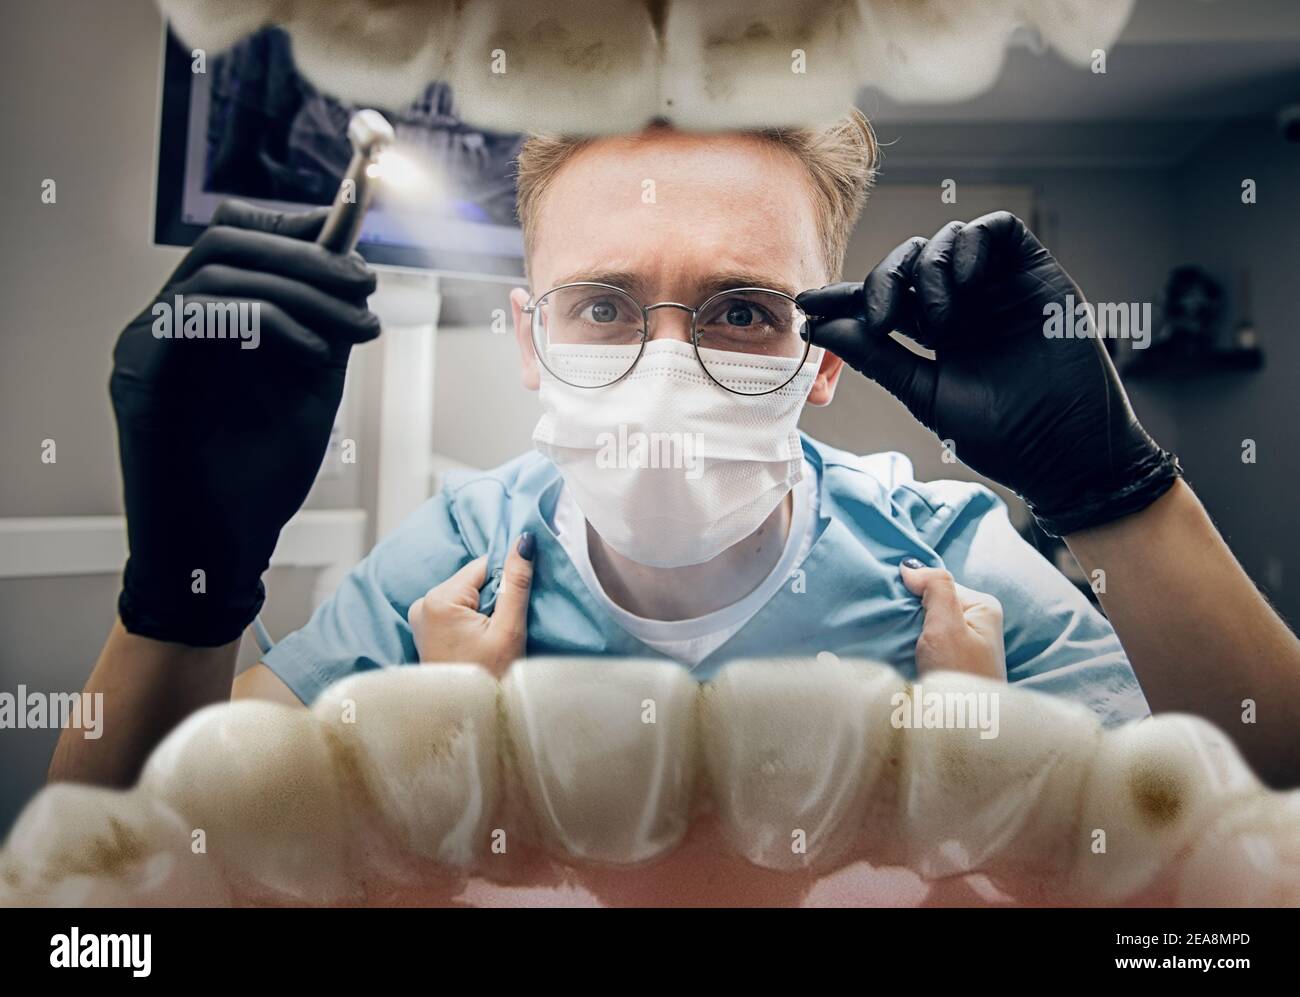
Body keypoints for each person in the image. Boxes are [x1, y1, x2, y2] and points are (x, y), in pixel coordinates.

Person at [51, 112, 1300, 790]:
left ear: (823, 356)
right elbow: (108, 904)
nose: (664, 369)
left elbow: (1269, 841)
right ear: (531, 343)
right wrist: (183, 591)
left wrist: (1121, 496)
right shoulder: (453, 564)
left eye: (742, 310)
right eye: (600, 305)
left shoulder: (953, 566)